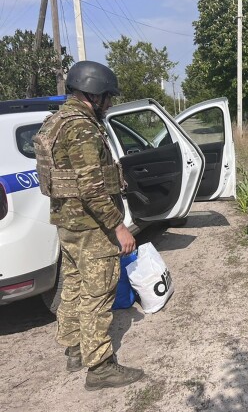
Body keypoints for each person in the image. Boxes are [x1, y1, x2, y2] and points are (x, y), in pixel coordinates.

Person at [34, 61, 144, 390]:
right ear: (92, 95)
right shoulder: (80, 127)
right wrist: (119, 227)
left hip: (67, 224)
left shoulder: (56, 120)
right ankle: (99, 367)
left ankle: (73, 348)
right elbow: (92, 188)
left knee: (73, 286)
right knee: (98, 293)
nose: (109, 104)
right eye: (107, 97)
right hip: (91, 227)